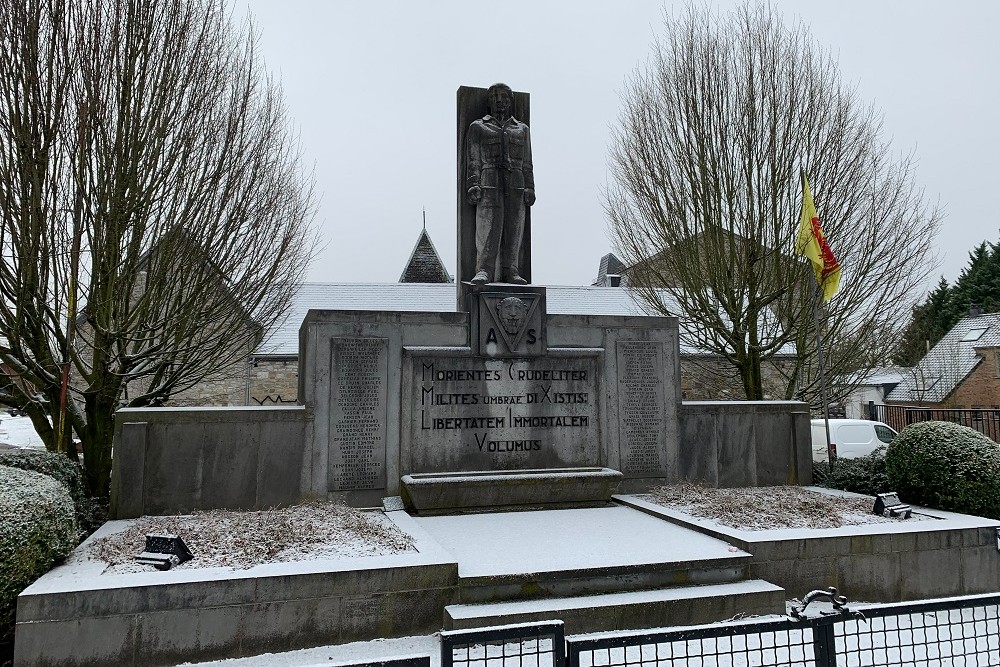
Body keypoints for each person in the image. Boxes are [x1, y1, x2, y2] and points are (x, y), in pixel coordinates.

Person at [465, 83, 535, 285]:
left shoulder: (521, 129)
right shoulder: (478, 127)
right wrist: (473, 184)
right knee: (489, 227)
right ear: (489, 101)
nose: (499, 100)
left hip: (516, 181)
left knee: (514, 228)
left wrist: (530, 187)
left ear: (510, 101)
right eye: (495, 96)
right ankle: (484, 270)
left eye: (504, 97)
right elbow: (473, 158)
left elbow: (527, 161)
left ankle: (511, 270)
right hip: (489, 179)